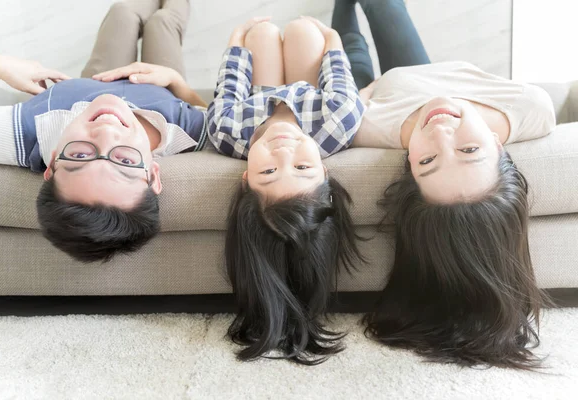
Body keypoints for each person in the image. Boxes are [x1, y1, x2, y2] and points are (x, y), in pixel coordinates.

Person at [331, 0, 556, 369]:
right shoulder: (531, 108)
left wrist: (365, 94)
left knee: (352, 55)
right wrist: (456, 113)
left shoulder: (364, 128)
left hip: (386, 93)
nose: (441, 134)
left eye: (427, 161)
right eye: (469, 149)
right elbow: (535, 105)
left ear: (408, 165)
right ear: (499, 147)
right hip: (427, 74)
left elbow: (349, 103)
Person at [0, 0, 207, 263]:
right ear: (153, 174)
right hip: (157, 82)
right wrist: (176, 81)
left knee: (122, 12)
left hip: (95, 79)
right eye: (125, 160)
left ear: (51, 163)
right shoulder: (186, 132)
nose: (106, 132)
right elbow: (210, 115)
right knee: (164, 22)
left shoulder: (26, 133)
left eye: (80, 155)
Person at [206, 16, 366, 364]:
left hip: (258, 94)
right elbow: (338, 78)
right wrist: (332, 38)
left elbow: (229, 87)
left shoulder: (227, 133)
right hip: (309, 90)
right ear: (324, 171)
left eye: (268, 170)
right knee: (303, 33)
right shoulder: (338, 122)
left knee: (260, 34)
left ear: (245, 178)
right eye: (302, 168)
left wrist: (235, 41)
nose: (283, 152)